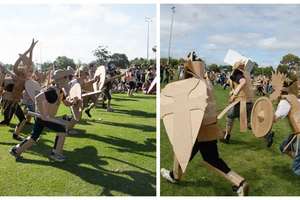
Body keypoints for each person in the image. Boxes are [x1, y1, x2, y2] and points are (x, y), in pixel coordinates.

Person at [160, 52, 249, 196]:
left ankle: (174, 176)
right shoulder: (206, 82)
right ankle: (240, 183)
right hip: (209, 126)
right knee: (210, 159)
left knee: (183, 152)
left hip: (197, 128)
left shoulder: (192, 84)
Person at [10, 69, 78, 162]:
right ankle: (55, 153)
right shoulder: (52, 91)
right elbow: (38, 98)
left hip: (44, 118)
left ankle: (16, 150)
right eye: (67, 78)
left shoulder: (60, 92)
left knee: (34, 137)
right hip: (45, 118)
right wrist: (43, 114)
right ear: (60, 80)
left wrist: (74, 102)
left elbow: (66, 103)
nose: (68, 80)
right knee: (61, 130)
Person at [222, 60, 254, 143]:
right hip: (250, 102)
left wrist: (234, 95)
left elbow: (243, 82)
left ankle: (227, 137)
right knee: (247, 123)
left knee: (230, 116)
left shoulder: (237, 74)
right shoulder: (246, 74)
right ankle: (267, 134)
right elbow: (243, 86)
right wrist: (233, 91)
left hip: (241, 102)